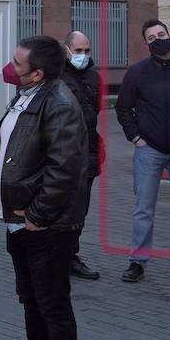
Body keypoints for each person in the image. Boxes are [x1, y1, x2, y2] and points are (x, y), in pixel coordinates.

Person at [0, 36, 87, 340]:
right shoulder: (28, 95)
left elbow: (65, 169)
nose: (10, 67)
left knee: (54, 308)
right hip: (18, 221)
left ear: (38, 73)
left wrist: (38, 216)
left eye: (17, 63)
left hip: (45, 226)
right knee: (31, 300)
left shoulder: (59, 104)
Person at [115, 18, 170, 288]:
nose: (158, 40)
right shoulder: (137, 72)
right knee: (143, 209)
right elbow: (123, 108)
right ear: (147, 44)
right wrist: (135, 137)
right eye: (152, 38)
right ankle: (137, 261)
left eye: (161, 34)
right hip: (149, 150)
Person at [61, 31, 103, 281]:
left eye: (87, 51)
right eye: (78, 51)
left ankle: (71, 255)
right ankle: (59, 257)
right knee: (62, 208)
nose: (83, 56)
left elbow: (95, 111)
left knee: (80, 209)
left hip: (88, 153)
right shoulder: (57, 76)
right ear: (67, 51)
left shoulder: (93, 77)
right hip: (65, 155)